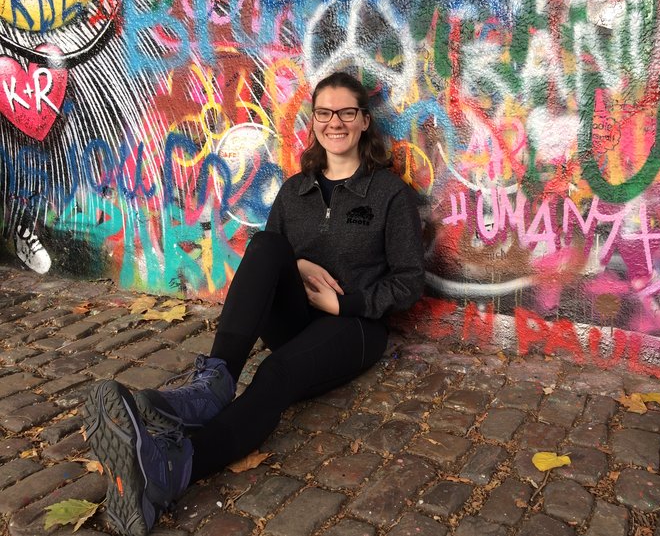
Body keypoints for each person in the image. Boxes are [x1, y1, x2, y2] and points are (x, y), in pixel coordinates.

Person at [82, 71, 425, 536]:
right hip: (298, 317)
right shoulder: (295, 191)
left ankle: (173, 469)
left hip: (355, 326)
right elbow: (271, 266)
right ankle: (213, 385)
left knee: (275, 374)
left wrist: (346, 304)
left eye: (347, 112)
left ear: (364, 121)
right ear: (314, 122)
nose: (335, 123)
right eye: (325, 113)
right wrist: (299, 265)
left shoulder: (388, 195)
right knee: (265, 246)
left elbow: (408, 283)